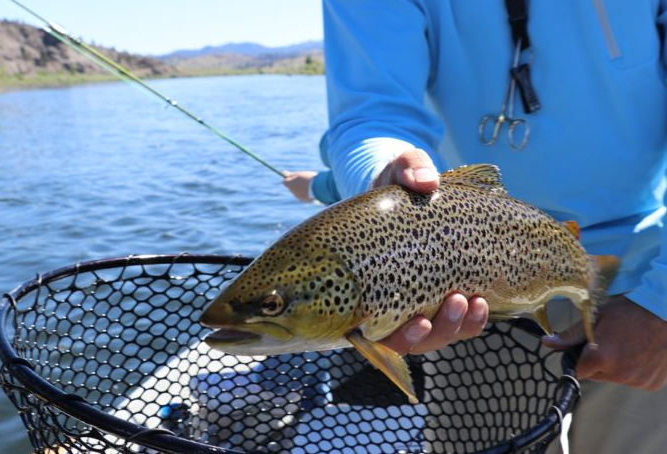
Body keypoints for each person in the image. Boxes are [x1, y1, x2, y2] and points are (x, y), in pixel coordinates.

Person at [283, 1, 667, 452]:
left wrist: (660, 302)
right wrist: (384, 175)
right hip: (459, 287)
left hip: (647, 266)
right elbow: (371, 112)